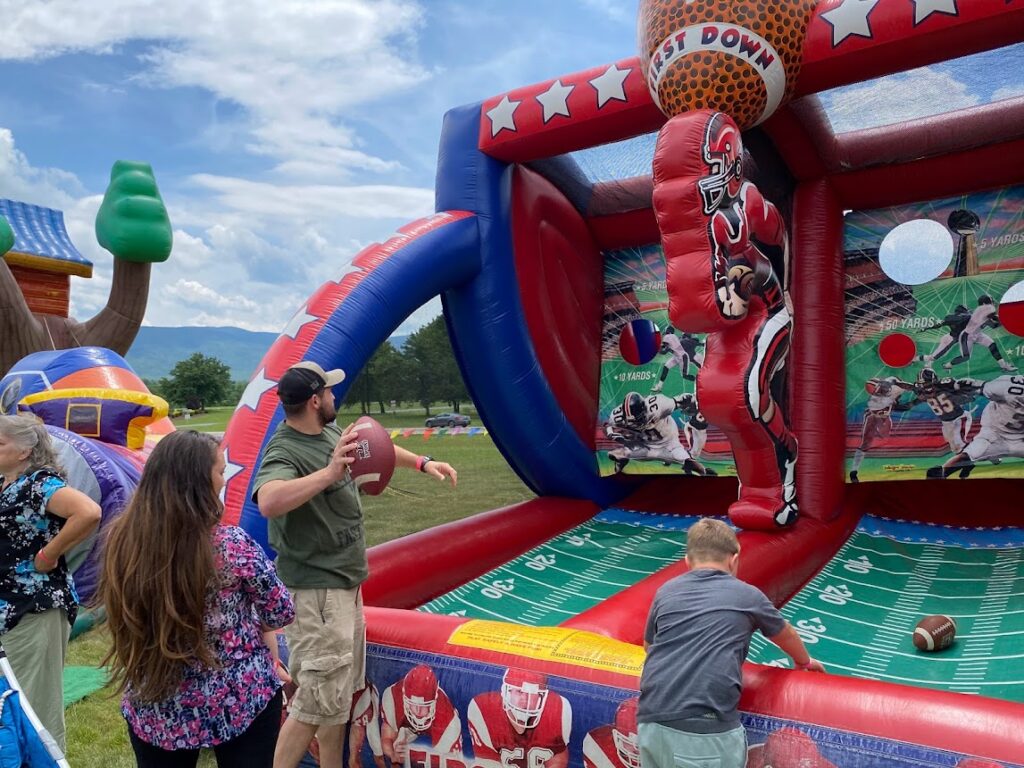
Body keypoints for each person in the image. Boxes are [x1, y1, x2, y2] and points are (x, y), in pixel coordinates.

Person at [252, 361, 458, 768]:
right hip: (317, 596)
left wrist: (422, 461)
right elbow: (268, 500)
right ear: (314, 400)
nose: (334, 396)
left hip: (344, 589)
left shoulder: (328, 430)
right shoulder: (286, 448)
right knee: (313, 704)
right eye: (328, 391)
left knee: (336, 700)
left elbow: (373, 447)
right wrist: (329, 473)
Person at [100, 429, 294, 767]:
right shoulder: (231, 545)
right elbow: (280, 610)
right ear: (199, 482)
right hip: (239, 699)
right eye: (220, 471)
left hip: (156, 703)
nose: (224, 479)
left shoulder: (122, 540)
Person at [639, 519, 824, 768]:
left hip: (651, 720)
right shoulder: (747, 595)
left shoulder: (666, 591)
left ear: (687, 561)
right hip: (704, 727)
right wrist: (804, 660)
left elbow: (649, 646)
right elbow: (784, 633)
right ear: (734, 559)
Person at [0, 414, 101, 752]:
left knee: (35, 707)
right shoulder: (5, 482)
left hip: (34, 609)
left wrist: (49, 554)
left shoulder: (39, 484)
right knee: (10, 705)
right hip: (8, 609)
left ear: (25, 451)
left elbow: (87, 511)